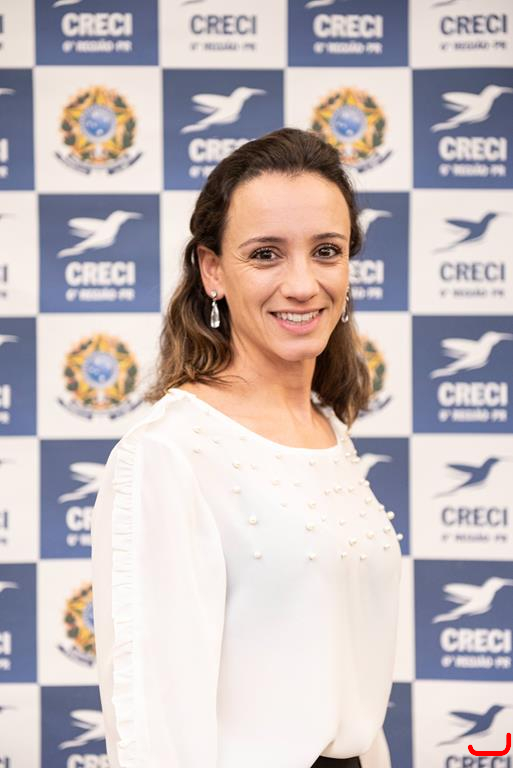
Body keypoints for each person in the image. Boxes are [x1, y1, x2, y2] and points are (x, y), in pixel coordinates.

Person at [91, 127, 402, 768]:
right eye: (266, 254)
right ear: (213, 271)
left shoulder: (329, 430)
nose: (303, 283)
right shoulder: (168, 453)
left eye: (326, 250)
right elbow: (155, 731)